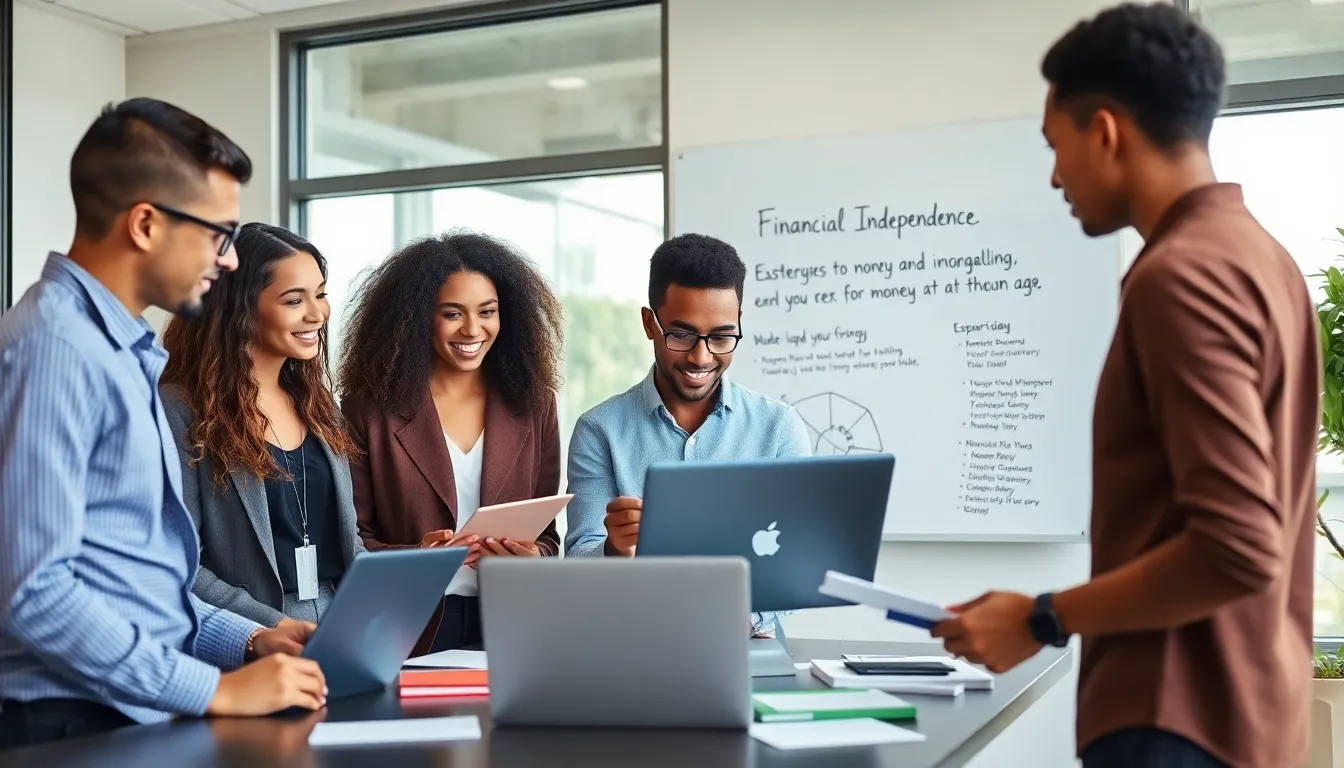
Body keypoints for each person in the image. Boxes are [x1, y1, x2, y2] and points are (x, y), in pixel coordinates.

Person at [929, 6, 1319, 768]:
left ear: (1105, 131)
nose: (1053, 176)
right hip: (1248, 713)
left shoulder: (1182, 278)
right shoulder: (1263, 260)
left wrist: (1041, 618)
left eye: (1055, 146)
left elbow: (1239, 548)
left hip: (1173, 722)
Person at [0, 99, 326, 748]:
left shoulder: (118, 351)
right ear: (146, 224)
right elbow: (35, 592)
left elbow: (134, 582)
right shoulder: (57, 348)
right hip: (68, 723)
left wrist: (251, 638)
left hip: (125, 712)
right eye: (218, 235)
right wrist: (214, 690)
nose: (229, 260)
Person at [564, 233, 812, 637]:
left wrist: (746, 620)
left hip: (748, 647)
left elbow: (799, 560)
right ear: (650, 324)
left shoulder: (778, 427)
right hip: (632, 647)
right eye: (681, 335)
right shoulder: (599, 430)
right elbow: (577, 563)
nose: (701, 357)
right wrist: (614, 550)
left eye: (720, 336)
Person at [338, 231, 564, 654]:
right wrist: (419, 557)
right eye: (452, 313)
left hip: (509, 622)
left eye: (487, 312)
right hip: (408, 623)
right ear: (418, 317)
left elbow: (548, 536)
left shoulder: (534, 405)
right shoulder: (368, 410)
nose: (473, 329)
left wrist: (534, 557)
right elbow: (353, 539)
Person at [160, 223, 363, 626]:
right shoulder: (179, 409)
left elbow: (346, 539)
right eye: (294, 300)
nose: (317, 313)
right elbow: (180, 562)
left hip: (344, 620)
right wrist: (272, 629)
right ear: (239, 308)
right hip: (247, 631)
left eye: (320, 294)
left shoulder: (319, 404)